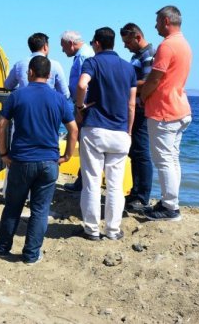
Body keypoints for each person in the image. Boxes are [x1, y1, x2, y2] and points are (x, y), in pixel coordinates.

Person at [0, 56, 78, 264]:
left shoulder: (17, 95)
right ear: (49, 75)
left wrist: (3, 153)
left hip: (21, 160)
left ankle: (3, 247)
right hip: (49, 162)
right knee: (40, 210)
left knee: (13, 206)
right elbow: (73, 129)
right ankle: (31, 254)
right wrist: (66, 155)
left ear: (29, 72)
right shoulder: (59, 99)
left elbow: (2, 125)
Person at [74, 28, 136, 241]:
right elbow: (131, 104)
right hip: (120, 131)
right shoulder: (129, 69)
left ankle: (91, 230)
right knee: (115, 184)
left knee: (91, 180)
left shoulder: (92, 62)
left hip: (96, 128)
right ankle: (112, 230)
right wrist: (128, 130)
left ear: (98, 44)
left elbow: (82, 84)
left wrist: (80, 105)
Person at [140, 6, 192, 221]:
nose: (155, 26)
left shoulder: (167, 45)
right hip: (179, 107)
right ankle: (170, 201)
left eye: (158, 22)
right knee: (172, 159)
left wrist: (143, 95)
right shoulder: (184, 44)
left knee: (163, 161)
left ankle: (170, 206)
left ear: (166, 21)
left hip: (164, 110)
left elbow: (155, 78)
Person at [119, 23, 156, 211]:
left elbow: (149, 81)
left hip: (141, 109)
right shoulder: (137, 56)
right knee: (134, 153)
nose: (125, 46)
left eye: (127, 42)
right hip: (134, 109)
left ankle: (143, 197)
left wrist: (127, 84)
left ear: (137, 37)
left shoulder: (149, 54)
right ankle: (135, 192)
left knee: (141, 153)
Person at [60, 30, 95, 192]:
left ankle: (83, 181)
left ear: (71, 43)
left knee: (85, 144)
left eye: (63, 47)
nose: (62, 51)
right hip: (82, 103)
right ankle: (82, 180)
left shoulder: (83, 56)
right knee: (84, 143)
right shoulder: (84, 54)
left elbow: (85, 83)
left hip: (83, 104)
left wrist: (80, 107)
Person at [5, 32, 70, 99]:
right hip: (48, 105)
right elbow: (65, 94)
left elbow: (7, 85)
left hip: (24, 105)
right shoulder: (56, 65)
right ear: (45, 47)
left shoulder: (19, 64)